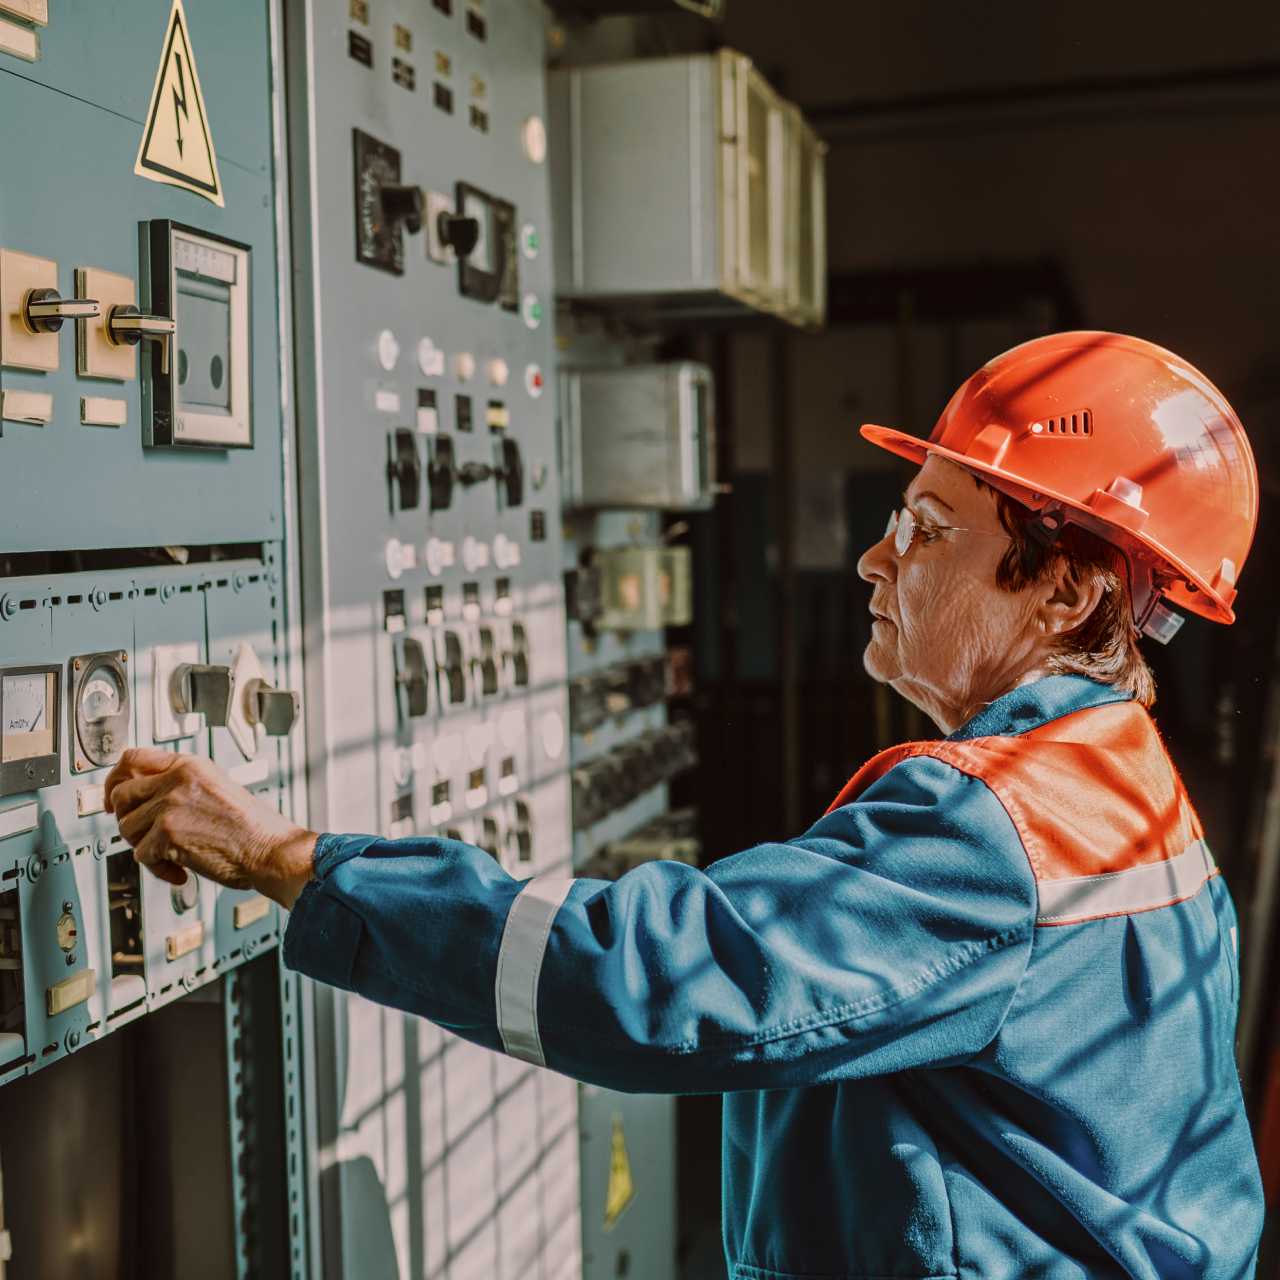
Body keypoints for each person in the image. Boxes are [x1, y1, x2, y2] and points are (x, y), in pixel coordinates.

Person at [106, 332, 1265, 1279]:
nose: (872, 558)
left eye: (923, 526)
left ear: (1063, 588)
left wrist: (290, 859)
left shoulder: (992, 825)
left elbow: (650, 981)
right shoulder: (1133, 788)